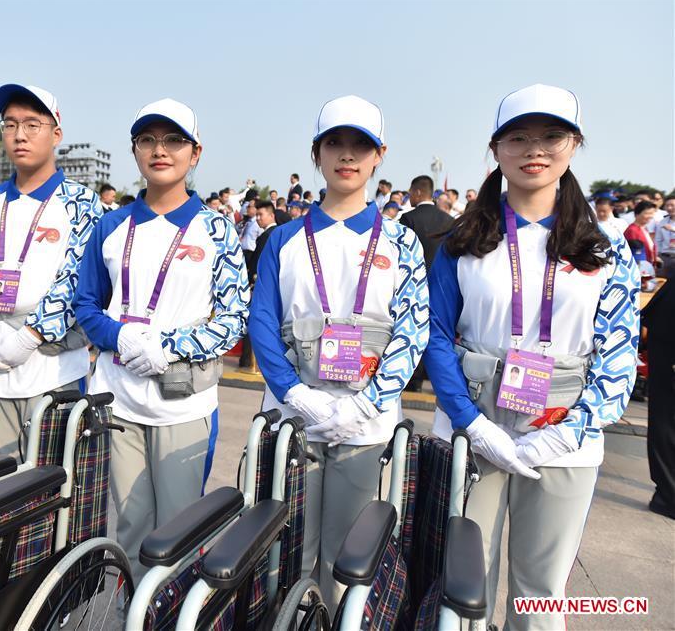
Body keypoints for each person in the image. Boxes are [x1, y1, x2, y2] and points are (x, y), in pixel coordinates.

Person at [423, 83, 640, 629]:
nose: (534, 149)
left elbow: (617, 354)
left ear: (575, 145)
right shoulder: (461, 243)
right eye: (518, 137)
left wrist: (570, 431)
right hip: (473, 433)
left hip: (564, 441)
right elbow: (436, 337)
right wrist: (472, 424)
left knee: (541, 591)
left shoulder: (605, 251)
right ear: (496, 149)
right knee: (464, 583)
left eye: (551, 136)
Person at [249, 95, 428, 610]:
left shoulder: (401, 242)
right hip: (293, 420)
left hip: (364, 427)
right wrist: (297, 395)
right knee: (286, 550)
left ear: (379, 156)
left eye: (360, 145)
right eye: (335, 144)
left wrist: (364, 405)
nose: (346, 155)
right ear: (316, 154)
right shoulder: (283, 239)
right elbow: (263, 322)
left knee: (346, 558)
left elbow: (413, 329)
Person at [73, 98, 250, 582]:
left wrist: (168, 346)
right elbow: (86, 305)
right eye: (148, 140)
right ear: (135, 151)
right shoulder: (110, 225)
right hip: (119, 397)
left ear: (195, 153)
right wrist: (125, 338)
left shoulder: (216, 228)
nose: (160, 150)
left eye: (174, 140)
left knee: (177, 530)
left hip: (183, 403)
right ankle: (130, 608)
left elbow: (234, 318)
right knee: (129, 525)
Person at [0, 84, 104, 458]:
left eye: (32, 124)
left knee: (51, 489)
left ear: (56, 134)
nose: (19, 134)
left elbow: (76, 282)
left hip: (53, 367)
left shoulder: (82, 203)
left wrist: (29, 338)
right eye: (10, 124)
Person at [642, 278, 675, 519]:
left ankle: (667, 493)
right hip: (669, 330)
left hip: (666, 324)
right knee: (666, 416)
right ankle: (668, 494)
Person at [400, 174, 455, 269]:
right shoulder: (449, 219)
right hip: (442, 276)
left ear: (417, 192)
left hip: (417, 276)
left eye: (410, 193)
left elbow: (403, 252)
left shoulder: (408, 218)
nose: (409, 197)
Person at [624, 201, 658, 267]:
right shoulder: (632, 230)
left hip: (648, 265)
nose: (650, 216)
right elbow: (634, 252)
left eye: (652, 213)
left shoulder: (644, 228)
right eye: (647, 213)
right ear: (637, 214)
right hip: (640, 267)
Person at [654, 195, 675, 277]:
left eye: (672, 205)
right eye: (667, 205)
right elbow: (657, 241)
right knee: (662, 283)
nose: (669, 208)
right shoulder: (662, 222)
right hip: (665, 257)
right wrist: (657, 256)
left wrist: (672, 229)